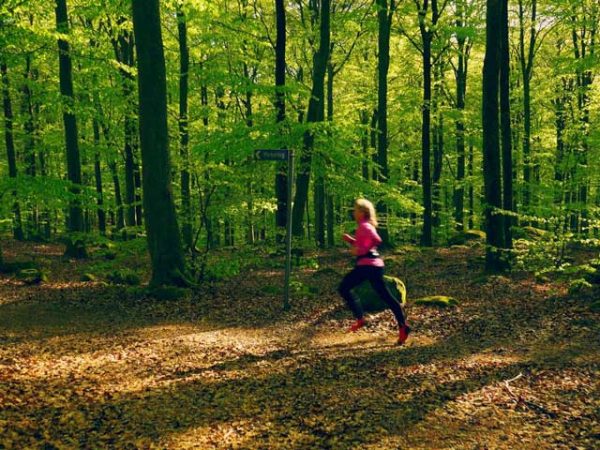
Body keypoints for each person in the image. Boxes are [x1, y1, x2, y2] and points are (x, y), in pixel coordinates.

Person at [339, 198, 410, 345]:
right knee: (387, 296)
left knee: (344, 288)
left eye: (356, 210)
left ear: (363, 212)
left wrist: (360, 250)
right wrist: (352, 241)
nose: (354, 212)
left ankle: (360, 319)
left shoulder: (363, 226)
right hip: (375, 266)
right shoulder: (368, 226)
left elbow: (374, 241)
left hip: (366, 266)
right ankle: (403, 327)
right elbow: (372, 241)